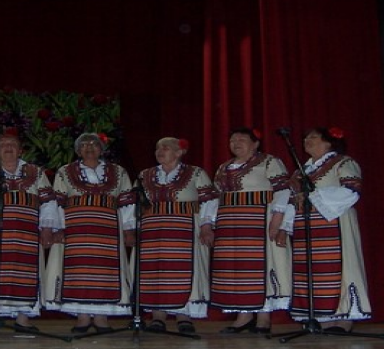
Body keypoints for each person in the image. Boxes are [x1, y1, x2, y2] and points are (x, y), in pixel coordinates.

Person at [43, 132, 136, 334]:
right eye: (84, 145)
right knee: (78, 272)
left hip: (108, 231)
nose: (89, 147)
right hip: (76, 230)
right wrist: (58, 228)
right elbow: (57, 201)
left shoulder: (118, 172)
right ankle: (82, 317)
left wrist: (129, 230)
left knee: (106, 272)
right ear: (78, 151)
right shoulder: (65, 171)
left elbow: (127, 202)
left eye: (94, 144)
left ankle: (102, 318)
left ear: (102, 149)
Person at [0, 132, 58, 332]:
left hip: (27, 234)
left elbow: (48, 202)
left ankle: (23, 319)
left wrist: (47, 229)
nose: (8, 148)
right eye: (3, 145)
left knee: (26, 273)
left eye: (12, 144)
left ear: (20, 150)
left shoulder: (36, 173)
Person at [208, 127, 293, 334]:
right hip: (230, 227)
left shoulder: (269, 162)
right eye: (232, 140)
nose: (236, 143)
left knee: (261, 266)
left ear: (255, 143)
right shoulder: (224, 167)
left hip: (259, 222)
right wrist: (208, 222)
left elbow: (282, 190)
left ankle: (263, 317)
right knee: (236, 268)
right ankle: (243, 316)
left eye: (241, 139)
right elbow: (214, 197)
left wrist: (277, 219)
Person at [287, 127, 372, 332]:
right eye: (306, 137)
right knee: (312, 271)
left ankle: (344, 318)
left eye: (313, 137)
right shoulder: (301, 171)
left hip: (336, 222)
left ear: (329, 142)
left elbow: (351, 190)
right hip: (307, 226)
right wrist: (286, 225)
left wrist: (312, 197)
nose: (307, 140)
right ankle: (321, 317)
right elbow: (292, 199)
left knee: (341, 267)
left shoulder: (343, 162)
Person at [136, 137, 217, 334]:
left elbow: (209, 200)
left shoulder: (195, 173)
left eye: (166, 148)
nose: (160, 151)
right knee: (155, 271)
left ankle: (184, 316)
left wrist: (207, 226)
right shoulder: (145, 175)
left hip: (185, 230)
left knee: (185, 270)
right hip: (152, 231)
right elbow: (135, 202)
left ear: (179, 152)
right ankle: (158, 316)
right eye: (158, 148)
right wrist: (132, 228)